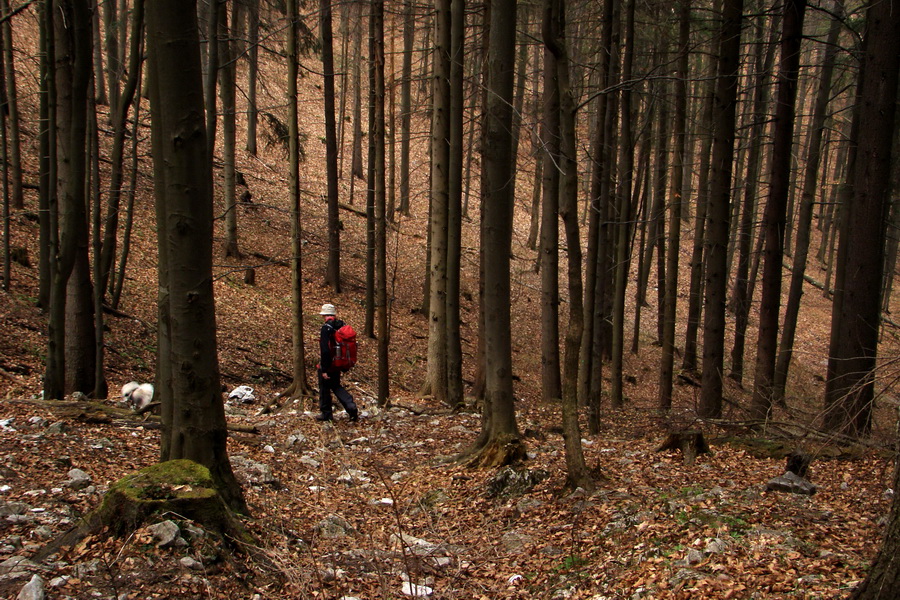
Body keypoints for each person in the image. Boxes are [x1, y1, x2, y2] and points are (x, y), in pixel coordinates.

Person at [316, 303, 359, 422]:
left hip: (329, 363)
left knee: (324, 388)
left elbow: (325, 349)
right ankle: (351, 406)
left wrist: (324, 368)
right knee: (335, 386)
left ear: (324, 315)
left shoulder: (326, 328)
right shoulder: (341, 325)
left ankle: (326, 414)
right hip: (338, 362)